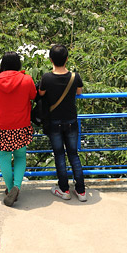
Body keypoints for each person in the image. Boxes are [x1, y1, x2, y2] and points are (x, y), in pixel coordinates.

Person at [0, 51, 36, 206]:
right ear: (18, 64)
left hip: (0, 126)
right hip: (21, 125)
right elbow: (33, 95)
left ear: (3, 65)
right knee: (20, 157)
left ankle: (8, 189)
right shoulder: (27, 79)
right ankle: (16, 187)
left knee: (4, 158)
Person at [38, 43, 87, 201]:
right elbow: (79, 92)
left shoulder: (46, 77)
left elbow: (41, 93)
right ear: (66, 59)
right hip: (71, 121)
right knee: (73, 154)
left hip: (54, 122)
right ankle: (81, 191)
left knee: (59, 155)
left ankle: (64, 190)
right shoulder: (75, 76)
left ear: (50, 59)